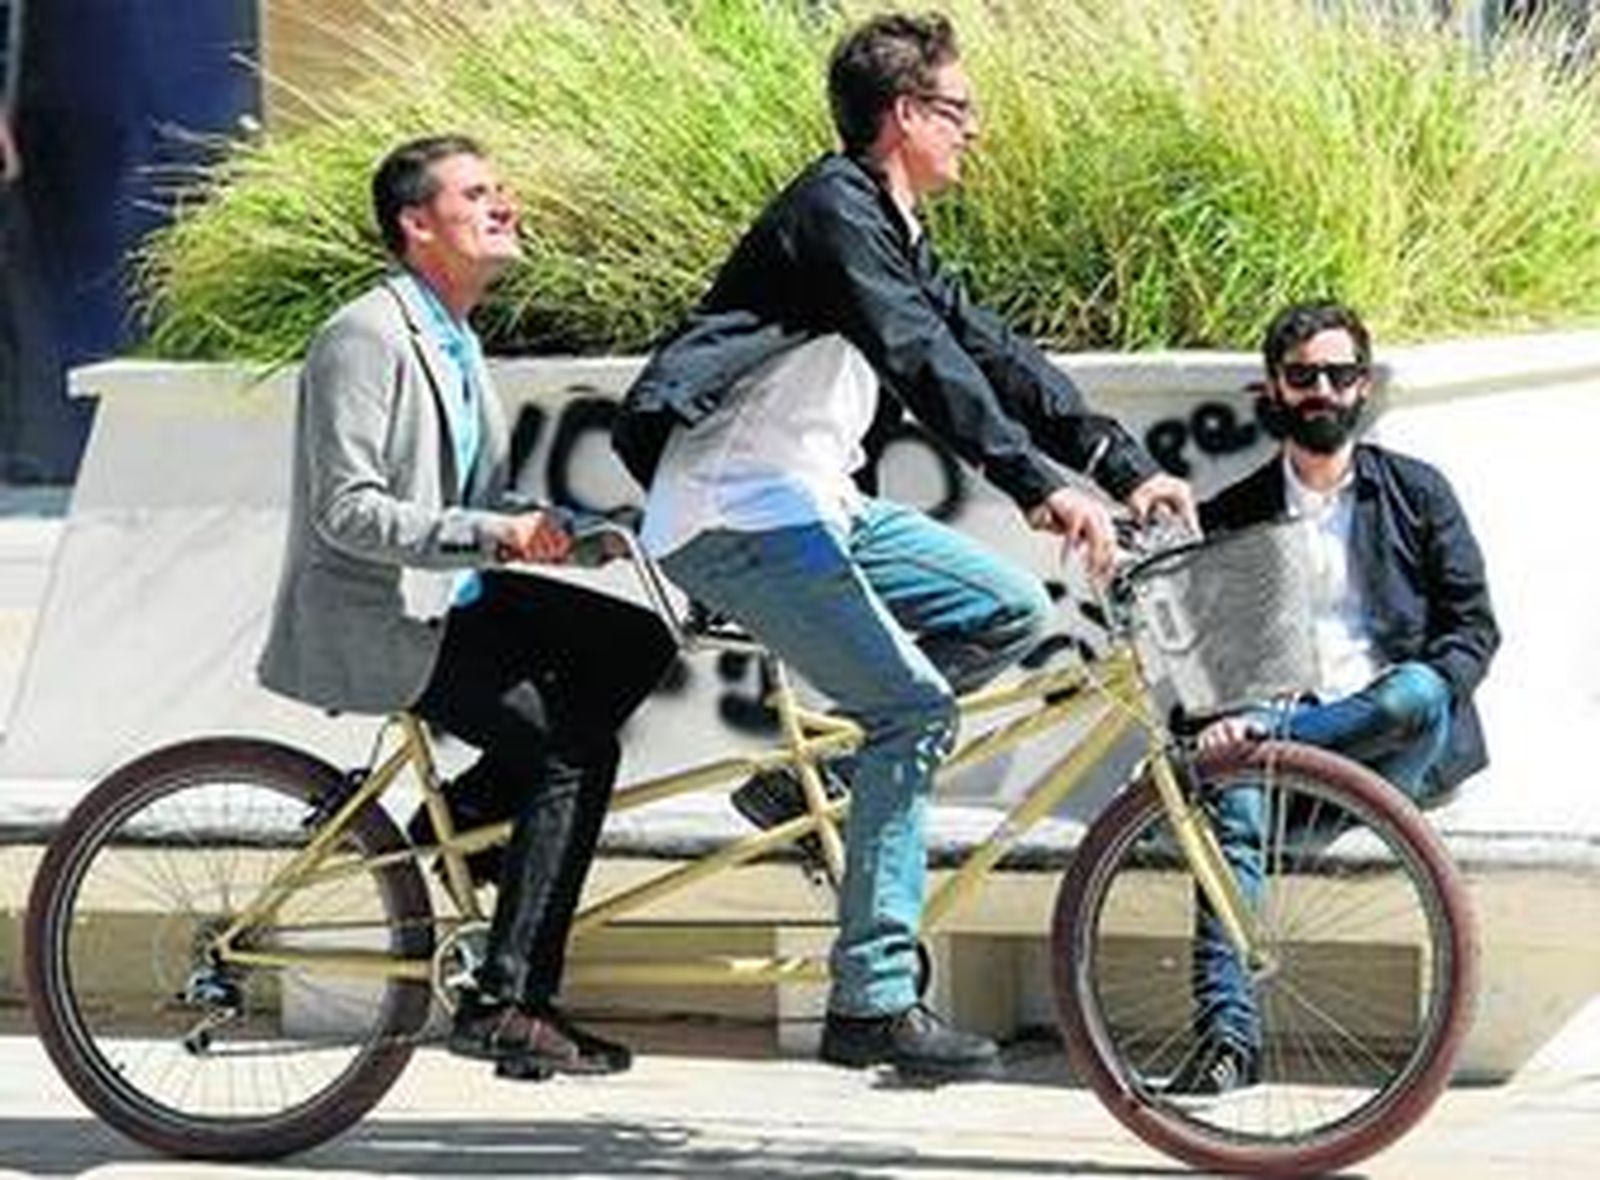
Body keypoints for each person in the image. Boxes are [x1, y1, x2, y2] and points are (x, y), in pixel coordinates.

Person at [615, 11, 1194, 1081]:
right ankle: (872, 1001)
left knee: (1007, 610)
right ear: (902, 114)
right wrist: (1038, 488)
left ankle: (824, 785)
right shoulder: (834, 210)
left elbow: (990, 350)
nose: (974, 130)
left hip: (816, 506)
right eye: (959, 110)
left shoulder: (893, 228)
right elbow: (923, 360)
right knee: (916, 710)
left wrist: (1117, 464)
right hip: (735, 511)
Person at [258, 135, 676, 1080]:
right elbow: (347, 511)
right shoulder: (365, 336)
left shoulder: (453, 336)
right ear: (417, 223)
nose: (505, 205)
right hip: (382, 613)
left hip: (453, 596)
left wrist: (585, 533)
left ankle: (466, 826)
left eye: (502, 188)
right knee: (575, 751)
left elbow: (482, 504)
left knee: (634, 642)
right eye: (478, 193)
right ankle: (509, 1003)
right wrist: (497, 532)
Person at [1172, 298, 1501, 1094]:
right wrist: (1225, 723)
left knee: (1414, 692)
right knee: (1236, 806)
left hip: (1395, 751)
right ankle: (1227, 1041)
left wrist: (1252, 739)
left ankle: (1266, 751)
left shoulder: (1417, 493)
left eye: (1339, 374)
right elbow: (1208, 675)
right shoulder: (1234, 515)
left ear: (1363, 386)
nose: (1321, 390)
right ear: (1273, 389)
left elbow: (1472, 632)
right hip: (1286, 765)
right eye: (1303, 376)